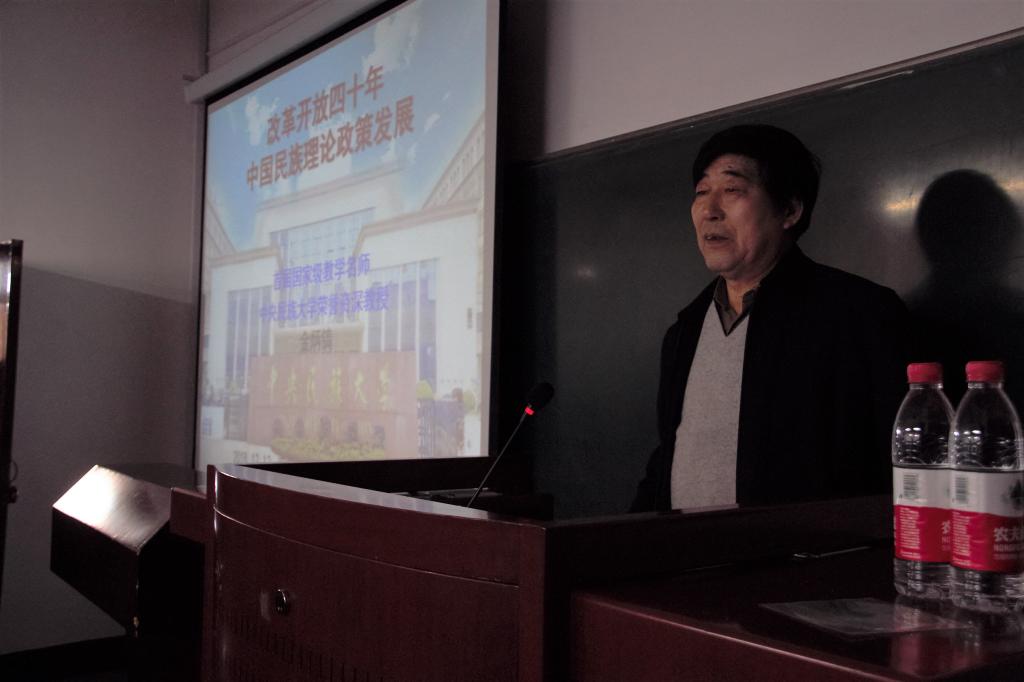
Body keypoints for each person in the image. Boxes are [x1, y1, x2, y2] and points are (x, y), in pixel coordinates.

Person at [631, 124, 910, 512]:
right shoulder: (685, 330)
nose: (709, 210)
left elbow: (899, 467)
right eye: (701, 192)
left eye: (732, 190)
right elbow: (669, 456)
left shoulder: (859, 314)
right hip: (686, 550)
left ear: (789, 210)